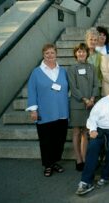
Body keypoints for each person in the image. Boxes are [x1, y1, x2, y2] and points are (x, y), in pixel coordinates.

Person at [26, 43, 69, 177]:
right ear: (43, 55)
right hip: (45, 113)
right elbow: (32, 91)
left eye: (52, 53)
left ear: (56, 54)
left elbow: (66, 89)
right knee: (46, 141)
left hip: (61, 112)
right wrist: (33, 110)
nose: (50, 55)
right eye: (47, 53)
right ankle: (47, 165)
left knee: (59, 140)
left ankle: (55, 161)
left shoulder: (62, 71)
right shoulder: (36, 72)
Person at [67, 43, 99, 171]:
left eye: (83, 51)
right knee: (76, 132)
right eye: (79, 51)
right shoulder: (72, 68)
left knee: (86, 132)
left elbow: (96, 84)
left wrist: (92, 98)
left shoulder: (92, 67)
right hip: (77, 103)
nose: (81, 53)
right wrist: (84, 99)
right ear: (76, 54)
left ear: (87, 53)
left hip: (90, 104)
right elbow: (73, 87)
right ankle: (78, 159)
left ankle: (85, 159)